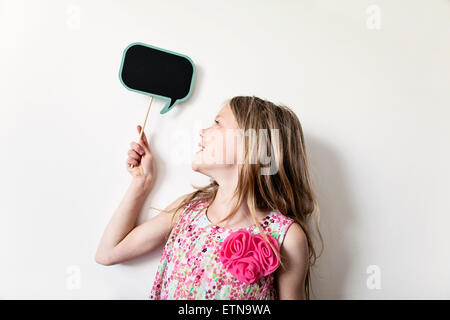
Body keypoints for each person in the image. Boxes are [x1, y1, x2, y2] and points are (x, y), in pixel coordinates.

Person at [95, 96, 322, 299]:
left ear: (251, 145)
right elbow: (108, 252)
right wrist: (141, 182)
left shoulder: (285, 236)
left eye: (217, 123)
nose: (202, 132)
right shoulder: (187, 211)